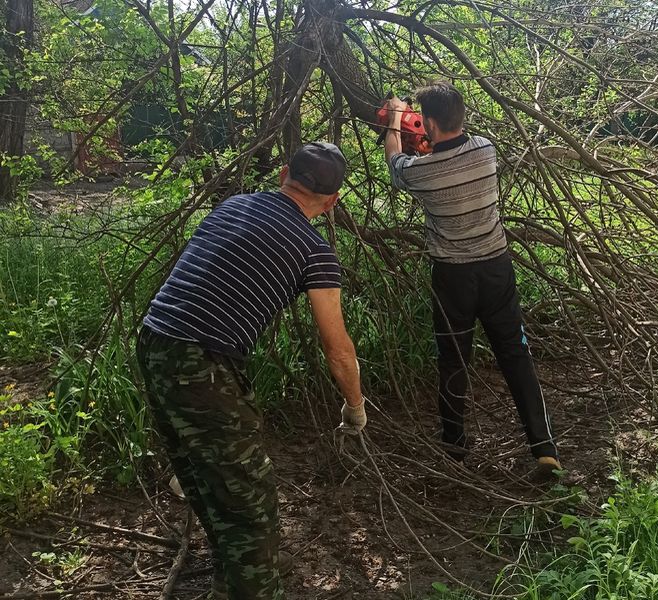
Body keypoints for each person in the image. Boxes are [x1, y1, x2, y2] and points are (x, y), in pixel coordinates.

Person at [136, 142, 367, 599]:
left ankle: (242, 564)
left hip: (153, 339)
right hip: (201, 361)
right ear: (333, 201)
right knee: (250, 501)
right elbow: (338, 351)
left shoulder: (234, 205)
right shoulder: (314, 250)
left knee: (206, 477)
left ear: (284, 174)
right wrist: (355, 406)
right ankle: (252, 583)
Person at [383, 82, 560, 479]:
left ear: (427, 122)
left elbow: (395, 162)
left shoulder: (419, 172)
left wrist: (396, 119)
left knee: (453, 361)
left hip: (452, 278)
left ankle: (455, 445)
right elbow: (448, 147)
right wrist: (428, 135)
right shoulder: (485, 148)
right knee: (516, 355)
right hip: (496, 269)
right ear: (461, 116)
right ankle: (544, 449)